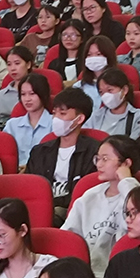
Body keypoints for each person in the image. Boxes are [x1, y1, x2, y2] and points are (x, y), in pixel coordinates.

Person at [62, 136, 139, 277]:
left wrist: (126, 181)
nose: (98, 164)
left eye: (105, 159)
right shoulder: (90, 195)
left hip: (121, 272)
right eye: (97, 158)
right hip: (84, 271)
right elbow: (67, 235)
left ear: (126, 163)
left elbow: (139, 214)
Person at [25, 88, 99, 217]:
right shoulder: (39, 151)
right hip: (40, 208)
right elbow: (30, 187)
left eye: (62, 113)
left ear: (79, 119)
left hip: (74, 211)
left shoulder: (95, 152)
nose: (56, 119)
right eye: (54, 113)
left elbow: (88, 193)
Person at [4, 74, 53, 172]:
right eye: (23, 94)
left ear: (43, 94)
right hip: (16, 173)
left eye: (32, 94)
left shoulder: (55, 123)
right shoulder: (12, 125)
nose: (27, 99)